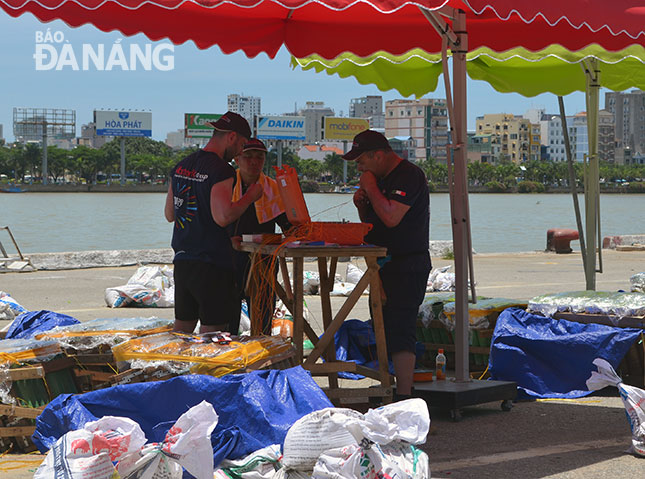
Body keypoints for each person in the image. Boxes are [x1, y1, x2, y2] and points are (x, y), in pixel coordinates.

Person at [343, 129, 431, 399]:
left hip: (407, 264)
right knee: (385, 327)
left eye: (361, 162)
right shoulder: (379, 180)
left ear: (378, 155)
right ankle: (389, 385)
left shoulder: (408, 175)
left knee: (401, 328)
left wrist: (369, 187)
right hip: (383, 264)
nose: (359, 168)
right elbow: (375, 226)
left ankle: (404, 395)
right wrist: (362, 206)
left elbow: (392, 217)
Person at [164, 111, 262, 334]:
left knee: (182, 329)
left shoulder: (181, 166)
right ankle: (207, 371)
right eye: (242, 144)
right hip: (212, 264)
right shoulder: (221, 170)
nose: (240, 151)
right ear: (231, 137)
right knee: (213, 334)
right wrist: (250, 196)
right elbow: (223, 216)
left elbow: (170, 214)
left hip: (183, 261)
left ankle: (175, 368)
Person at [227, 138, 291, 335]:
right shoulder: (226, 185)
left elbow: (287, 225)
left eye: (259, 157)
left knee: (263, 309)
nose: (254, 162)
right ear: (237, 159)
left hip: (263, 257)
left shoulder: (273, 188)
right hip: (230, 255)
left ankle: (261, 348)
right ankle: (228, 352)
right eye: (248, 157)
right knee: (228, 309)